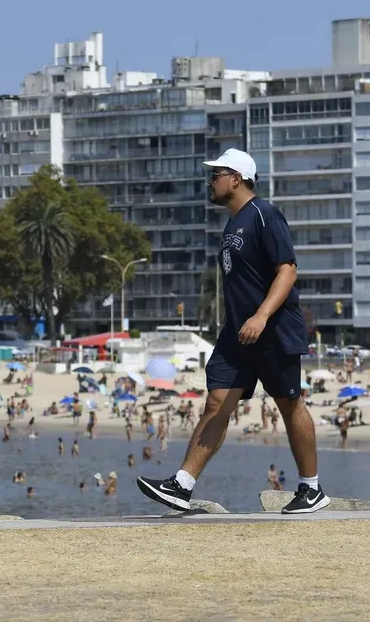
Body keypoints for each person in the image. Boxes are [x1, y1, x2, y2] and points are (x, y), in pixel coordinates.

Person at [137, 149, 329, 515]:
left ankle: (311, 488)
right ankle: (182, 485)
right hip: (238, 334)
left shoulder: (264, 215)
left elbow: (287, 270)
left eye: (216, 174)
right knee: (216, 402)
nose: (211, 181)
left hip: (270, 328)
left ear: (236, 178)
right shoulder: (233, 224)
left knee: (289, 404)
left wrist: (260, 316)